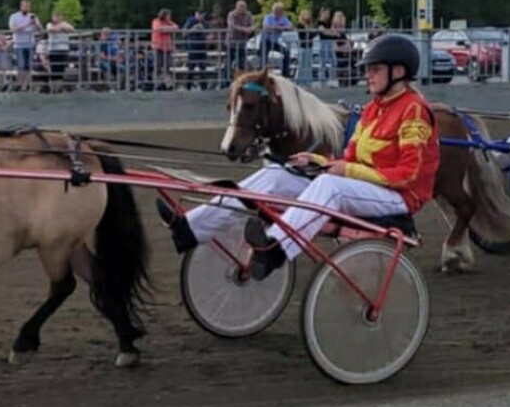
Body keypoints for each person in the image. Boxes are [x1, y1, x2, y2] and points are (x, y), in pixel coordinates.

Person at [157, 34, 440, 280]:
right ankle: (189, 228)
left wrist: (345, 172)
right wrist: (319, 162)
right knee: (277, 174)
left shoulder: (413, 110)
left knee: (330, 186)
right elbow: (351, 158)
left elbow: (408, 175)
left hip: (397, 198)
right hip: (364, 189)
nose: (368, 75)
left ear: (399, 71)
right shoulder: (373, 109)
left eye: (375, 69)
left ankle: (275, 249)